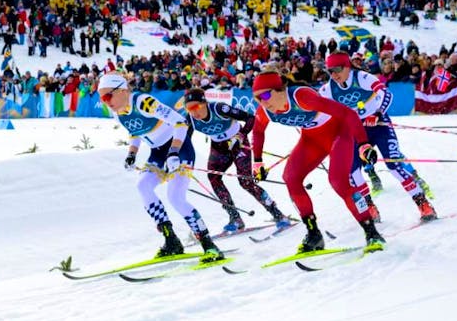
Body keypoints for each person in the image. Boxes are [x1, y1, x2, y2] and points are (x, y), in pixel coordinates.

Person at [250, 70, 385, 253]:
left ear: (280, 88)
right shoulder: (265, 110)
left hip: (338, 134)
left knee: (338, 182)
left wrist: (363, 144)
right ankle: (314, 234)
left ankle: (372, 232)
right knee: (291, 177)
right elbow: (258, 131)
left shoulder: (302, 97)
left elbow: (348, 114)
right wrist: (257, 161)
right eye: (257, 99)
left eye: (266, 95)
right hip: (312, 140)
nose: (263, 102)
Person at [97, 73, 223, 262]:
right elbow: (134, 132)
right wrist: (132, 153)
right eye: (101, 98)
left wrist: (173, 152)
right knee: (143, 186)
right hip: (157, 152)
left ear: (122, 90)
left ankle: (209, 246)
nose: (105, 101)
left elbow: (181, 122)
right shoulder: (117, 112)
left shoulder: (144, 102)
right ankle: (171, 240)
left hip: (179, 148)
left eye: (108, 96)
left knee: (175, 197)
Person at [319, 52, 437, 222]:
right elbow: (320, 110)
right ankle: (369, 206)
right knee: (352, 170)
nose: (334, 75)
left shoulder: (361, 77)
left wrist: (377, 113)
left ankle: (423, 203)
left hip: (378, 126)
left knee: (394, 165)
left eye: (337, 69)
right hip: (356, 131)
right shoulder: (328, 89)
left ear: (347, 67)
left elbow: (386, 94)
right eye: (330, 71)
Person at [183, 87, 291, 232]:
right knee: (213, 177)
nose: (194, 112)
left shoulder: (220, 108)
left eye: (196, 106)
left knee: (246, 182)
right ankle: (235, 217)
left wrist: (241, 135)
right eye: (189, 108)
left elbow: (250, 118)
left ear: (204, 102)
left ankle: (277, 214)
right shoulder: (190, 119)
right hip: (219, 147)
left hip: (238, 144)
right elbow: (185, 141)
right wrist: (181, 160)